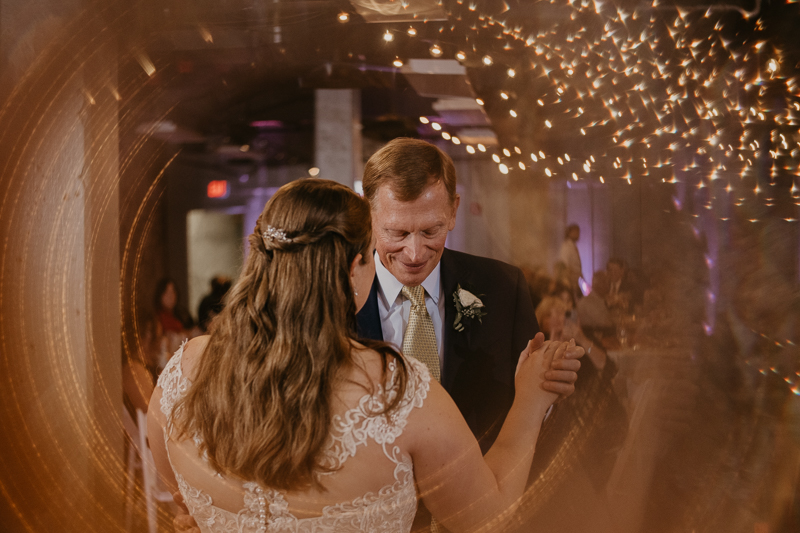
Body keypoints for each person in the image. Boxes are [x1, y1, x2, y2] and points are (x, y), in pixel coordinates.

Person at [149, 178, 581, 533]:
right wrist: (529, 399)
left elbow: (184, 499)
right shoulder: (399, 392)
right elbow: (489, 517)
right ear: (355, 267)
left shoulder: (180, 376)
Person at [558, 224, 582, 297]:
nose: (578, 234)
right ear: (570, 233)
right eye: (576, 232)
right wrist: (568, 278)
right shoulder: (566, 246)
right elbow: (565, 264)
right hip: (570, 279)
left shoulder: (573, 246)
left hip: (576, 279)